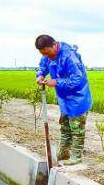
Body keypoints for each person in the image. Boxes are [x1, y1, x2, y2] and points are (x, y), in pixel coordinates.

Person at [35, 34, 93, 166]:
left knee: (77, 128)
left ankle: (76, 156)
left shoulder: (69, 56)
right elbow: (43, 66)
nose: (47, 56)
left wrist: (56, 82)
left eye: (48, 53)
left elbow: (77, 79)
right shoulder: (47, 55)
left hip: (78, 97)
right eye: (43, 54)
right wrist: (40, 75)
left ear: (54, 45)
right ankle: (63, 154)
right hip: (64, 98)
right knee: (65, 127)